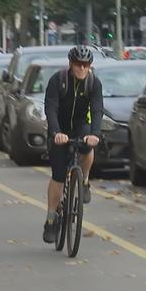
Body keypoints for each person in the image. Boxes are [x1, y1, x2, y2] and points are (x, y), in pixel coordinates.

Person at [42, 46, 104, 244]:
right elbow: (50, 109)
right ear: (70, 64)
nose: (82, 68)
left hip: (80, 126)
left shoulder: (93, 83)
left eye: (86, 65)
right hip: (59, 128)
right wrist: (55, 133)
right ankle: (51, 219)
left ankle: (84, 181)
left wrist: (95, 134)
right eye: (78, 64)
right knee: (58, 177)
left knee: (88, 147)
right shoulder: (57, 81)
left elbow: (96, 110)